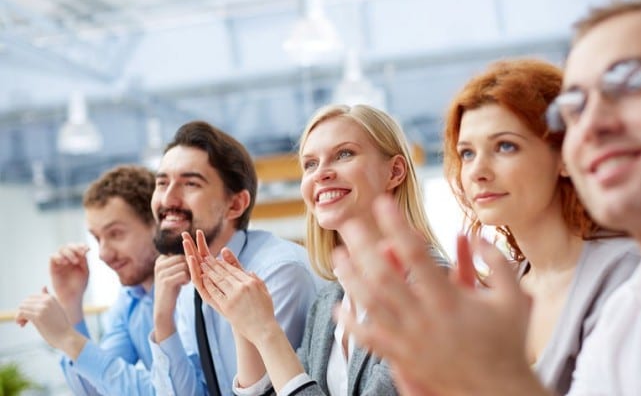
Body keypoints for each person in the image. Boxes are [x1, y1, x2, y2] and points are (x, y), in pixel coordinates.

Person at [333, 0, 641, 396]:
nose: (592, 123)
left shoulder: (623, 277)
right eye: (576, 106)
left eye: (633, 82)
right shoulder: (636, 308)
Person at [183, 104, 448, 396]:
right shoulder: (329, 302)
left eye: (344, 154)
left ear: (395, 171)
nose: (321, 173)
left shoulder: (432, 285)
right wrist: (242, 323)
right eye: (310, 164)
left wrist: (266, 332)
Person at [441, 58, 640, 394]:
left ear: (566, 155)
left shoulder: (629, 273)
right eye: (467, 153)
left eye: (505, 146)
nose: (477, 171)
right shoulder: (500, 290)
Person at [148, 121, 321, 396]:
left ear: (236, 204)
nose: (168, 197)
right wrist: (162, 321)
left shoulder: (277, 273)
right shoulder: (184, 284)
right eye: (162, 182)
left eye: (190, 183)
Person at [16, 165, 159, 395]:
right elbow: (97, 390)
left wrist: (67, 338)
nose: (103, 253)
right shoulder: (130, 300)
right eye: (96, 238)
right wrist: (71, 303)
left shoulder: (191, 293)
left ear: (157, 225)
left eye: (116, 234)